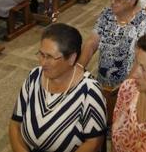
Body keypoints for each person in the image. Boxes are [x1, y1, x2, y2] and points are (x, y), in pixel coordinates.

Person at [9, 23, 107, 152]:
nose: (43, 63)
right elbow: (15, 124)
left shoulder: (89, 91)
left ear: (72, 58)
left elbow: (94, 142)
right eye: (41, 54)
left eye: (50, 57)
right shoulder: (34, 76)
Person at [78, 0, 146, 88]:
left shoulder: (144, 22)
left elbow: (139, 60)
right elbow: (92, 42)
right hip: (103, 82)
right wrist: (78, 69)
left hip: (130, 84)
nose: (112, 2)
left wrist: (123, 90)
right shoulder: (107, 13)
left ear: (132, 0)